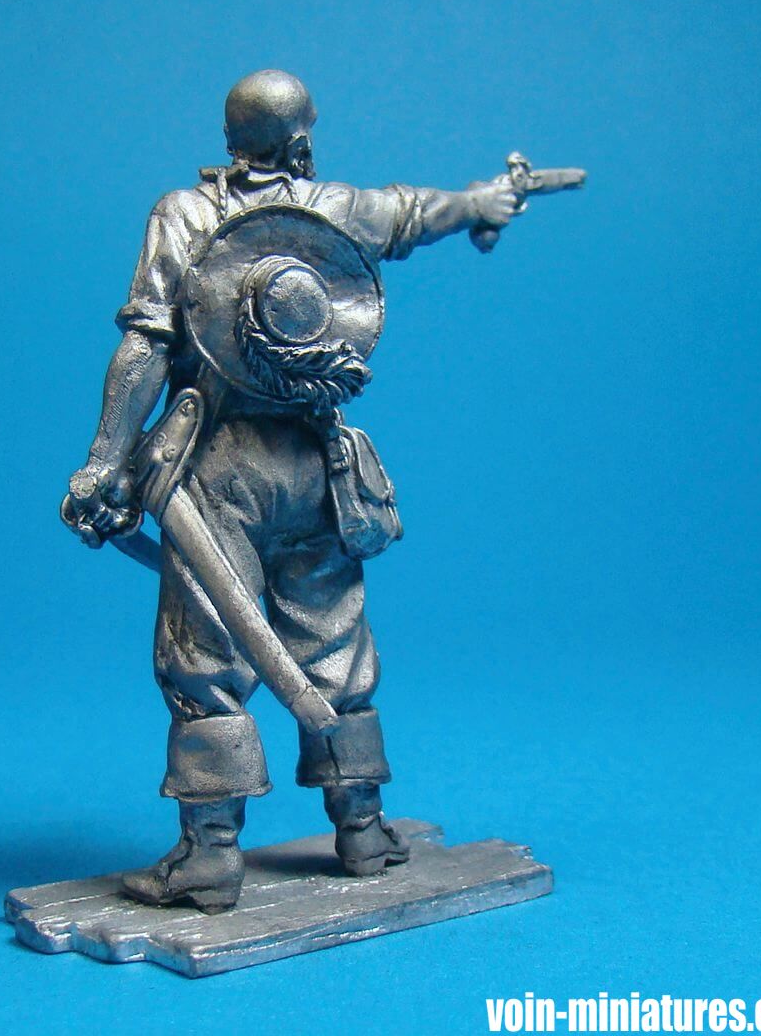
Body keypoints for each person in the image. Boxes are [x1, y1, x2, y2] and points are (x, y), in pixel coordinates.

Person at [61, 70, 521, 912]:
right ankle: (363, 828)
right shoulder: (333, 207)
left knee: (205, 658)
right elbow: (414, 212)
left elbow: (146, 345)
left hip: (217, 472)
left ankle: (210, 855)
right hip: (317, 466)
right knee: (335, 645)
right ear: (303, 140)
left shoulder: (185, 214)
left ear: (229, 137)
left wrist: (105, 460)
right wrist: (480, 203)